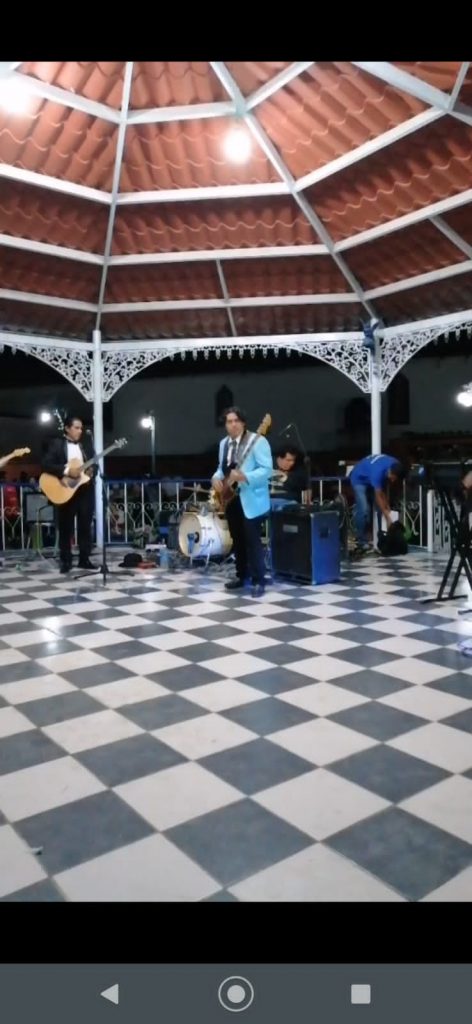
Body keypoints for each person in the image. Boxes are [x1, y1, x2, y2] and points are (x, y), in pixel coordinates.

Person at [212, 406, 272, 597]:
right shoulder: (224, 444)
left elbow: (266, 470)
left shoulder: (258, 441)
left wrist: (245, 476)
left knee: (252, 540)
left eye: (236, 420)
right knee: (237, 539)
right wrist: (216, 478)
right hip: (232, 498)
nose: (233, 424)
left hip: (252, 498)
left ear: (243, 422)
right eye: (229, 421)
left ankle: (258, 580)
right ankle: (241, 575)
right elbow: (221, 469)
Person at [42, 416, 96, 573]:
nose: (80, 431)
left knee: (85, 526)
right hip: (65, 489)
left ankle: (84, 559)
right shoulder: (57, 444)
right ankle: (66, 560)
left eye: (81, 428)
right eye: (76, 428)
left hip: (84, 490)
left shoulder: (85, 445)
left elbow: (93, 463)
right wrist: (66, 471)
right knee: (66, 527)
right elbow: (46, 464)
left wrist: (92, 471)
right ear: (67, 428)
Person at [349, 453, 406, 552]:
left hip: (370, 475)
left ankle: (381, 537)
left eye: (394, 479)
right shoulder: (378, 472)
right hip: (359, 478)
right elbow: (378, 495)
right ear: (389, 472)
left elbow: (383, 490)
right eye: (392, 478)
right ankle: (361, 541)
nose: (392, 481)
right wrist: (387, 517)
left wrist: (386, 505)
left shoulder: (395, 464)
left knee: (381, 509)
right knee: (364, 509)